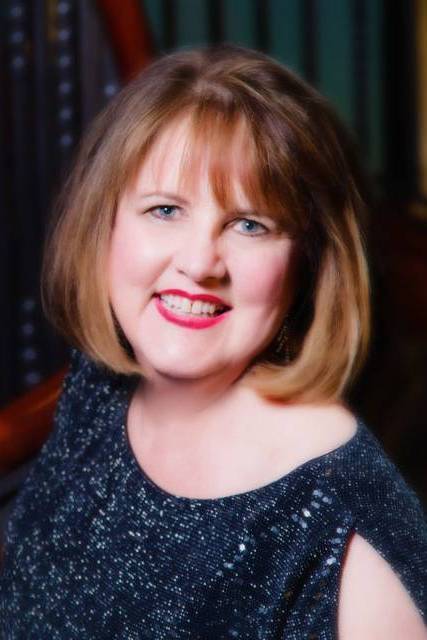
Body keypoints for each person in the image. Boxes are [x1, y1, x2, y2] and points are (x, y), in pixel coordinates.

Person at [0, 44, 426, 639]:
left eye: (250, 224)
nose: (200, 263)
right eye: (166, 210)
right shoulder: (97, 387)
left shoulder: (350, 523)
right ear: (105, 225)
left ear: (307, 264)